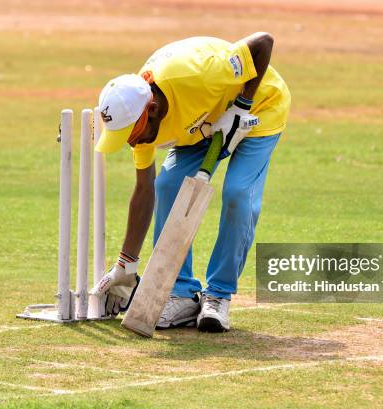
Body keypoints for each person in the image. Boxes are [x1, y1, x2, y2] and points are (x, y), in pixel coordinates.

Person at [90, 32, 290, 332]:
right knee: (167, 184)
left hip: (259, 107)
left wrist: (242, 104)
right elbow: (145, 189)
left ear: (153, 109)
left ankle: (218, 296)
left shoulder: (200, 72)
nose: (133, 142)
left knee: (237, 192)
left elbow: (263, 43)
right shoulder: (139, 114)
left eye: (132, 134)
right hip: (201, 124)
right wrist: (126, 265)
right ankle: (180, 292)